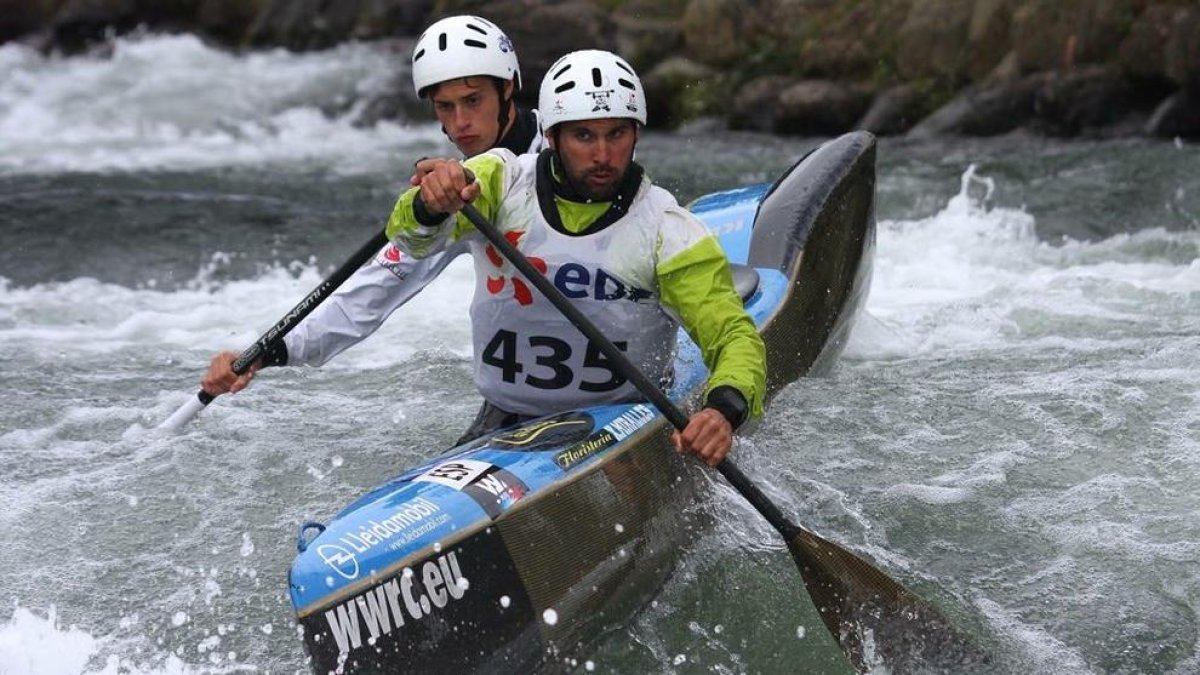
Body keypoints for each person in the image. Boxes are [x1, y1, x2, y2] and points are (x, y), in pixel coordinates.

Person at [386, 50, 766, 465]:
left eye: (616, 134)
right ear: (552, 137)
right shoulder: (503, 180)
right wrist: (430, 202)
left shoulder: (667, 230)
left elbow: (734, 337)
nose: (603, 155)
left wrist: (723, 410)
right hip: (505, 421)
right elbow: (412, 240)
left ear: (636, 134)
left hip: (623, 421)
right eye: (584, 136)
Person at [201, 15, 544, 393]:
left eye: (472, 100)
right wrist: (262, 354)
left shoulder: (575, 145)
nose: (460, 122)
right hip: (522, 394)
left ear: (507, 88)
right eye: (445, 106)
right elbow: (362, 298)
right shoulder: (451, 196)